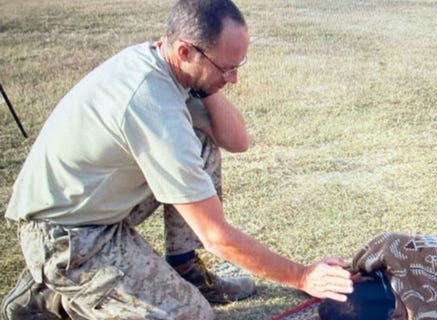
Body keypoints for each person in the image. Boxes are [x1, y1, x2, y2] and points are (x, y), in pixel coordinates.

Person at [1, 0, 352, 319]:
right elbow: (215, 234)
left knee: (202, 141)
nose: (234, 79)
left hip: (93, 208)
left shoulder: (166, 65)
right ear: (184, 50)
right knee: (191, 316)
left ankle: (185, 269)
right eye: (225, 68)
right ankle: (54, 293)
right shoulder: (153, 105)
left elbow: (236, 140)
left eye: (237, 65)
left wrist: (210, 84)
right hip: (68, 238)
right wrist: (302, 276)